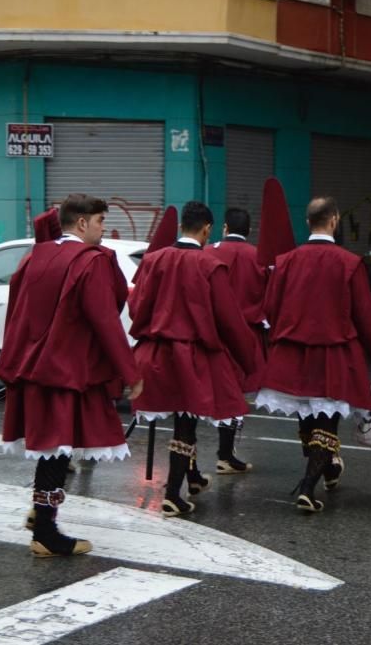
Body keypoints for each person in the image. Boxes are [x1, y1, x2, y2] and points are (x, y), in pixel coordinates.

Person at [0, 194, 143, 557]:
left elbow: (16, 310)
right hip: (67, 369)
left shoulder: (35, 257)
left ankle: (41, 514)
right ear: (81, 223)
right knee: (57, 449)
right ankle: (45, 531)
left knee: (53, 447)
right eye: (99, 222)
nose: (103, 229)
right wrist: (129, 371)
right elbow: (105, 319)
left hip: (34, 365)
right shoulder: (88, 262)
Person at [256, 196, 371, 513]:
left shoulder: (286, 261)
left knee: (308, 418)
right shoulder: (349, 263)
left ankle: (325, 470)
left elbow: (271, 307)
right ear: (334, 220)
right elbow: (365, 317)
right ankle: (307, 486)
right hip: (333, 353)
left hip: (293, 350)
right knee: (326, 422)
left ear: (308, 223)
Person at [128, 201, 257, 517]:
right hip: (192, 355)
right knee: (186, 423)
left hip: (155, 352)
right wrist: (248, 359)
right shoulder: (209, 266)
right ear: (207, 229)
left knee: (180, 420)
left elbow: (136, 308)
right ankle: (173, 493)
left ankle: (194, 478)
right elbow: (228, 319)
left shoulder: (153, 260)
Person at [206, 207, 268, 474]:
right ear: (249, 230)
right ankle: (225, 453)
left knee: (208, 394)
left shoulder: (208, 252)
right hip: (246, 335)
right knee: (236, 394)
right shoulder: (258, 258)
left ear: (224, 228)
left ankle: (195, 460)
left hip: (214, 333)